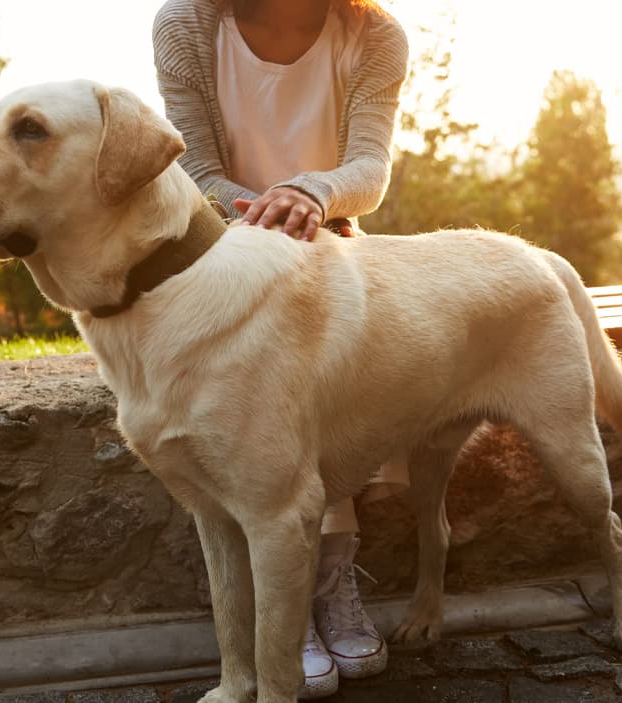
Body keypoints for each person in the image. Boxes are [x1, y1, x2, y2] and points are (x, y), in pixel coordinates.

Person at [152, 0, 409, 697]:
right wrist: (271, 216)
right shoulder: (186, 24)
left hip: (333, 249)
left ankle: (330, 583)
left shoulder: (375, 33)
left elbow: (369, 169)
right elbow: (196, 172)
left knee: (338, 414)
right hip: (222, 259)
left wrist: (311, 194)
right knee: (262, 433)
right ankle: (281, 615)